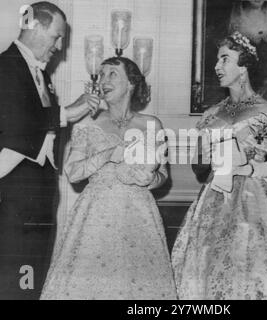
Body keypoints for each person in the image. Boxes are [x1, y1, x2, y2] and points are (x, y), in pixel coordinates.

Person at [172, 31, 267, 300]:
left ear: (244, 66)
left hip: (253, 201)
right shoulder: (211, 114)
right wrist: (203, 155)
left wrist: (248, 169)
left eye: (225, 59)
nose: (217, 66)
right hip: (213, 200)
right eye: (217, 60)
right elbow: (199, 169)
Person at [40, 56, 177, 300]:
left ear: (132, 83)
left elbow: (163, 175)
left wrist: (150, 179)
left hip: (139, 215)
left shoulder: (151, 124)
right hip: (95, 215)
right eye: (101, 75)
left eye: (112, 74)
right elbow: (73, 172)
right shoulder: (87, 122)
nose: (103, 80)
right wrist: (107, 155)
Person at [0, 2, 101, 300]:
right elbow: (15, 122)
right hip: (13, 202)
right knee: (15, 283)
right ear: (37, 26)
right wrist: (66, 113)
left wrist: (73, 112)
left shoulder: (40, 74)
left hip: (38, 202)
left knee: (30, 280)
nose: (60, 47)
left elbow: (40, 126)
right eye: (57, 37)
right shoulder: (5, 66)